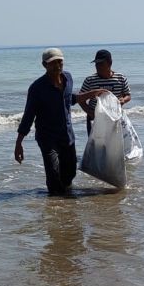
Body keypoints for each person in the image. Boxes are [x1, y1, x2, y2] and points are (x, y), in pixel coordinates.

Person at [13, 48, 106, 196]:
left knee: (70, 173)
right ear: (45, 65)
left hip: (67, 136)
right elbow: (28, 116)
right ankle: (56, 206)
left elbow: (70, 99)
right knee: (53, 174)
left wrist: (92, 93)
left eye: (60, 61)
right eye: (53, 63)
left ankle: (65, 206)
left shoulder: (68, 78)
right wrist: (19, 143)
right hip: (47, 137)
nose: (57, 65)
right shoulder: (37, 88)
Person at [78, 49, 132, 135]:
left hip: (115, 117)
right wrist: (90, 112)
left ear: (110, 63)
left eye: (101, 64)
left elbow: (128, 95)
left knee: (115, 144)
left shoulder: (120, 78)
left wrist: (123, 100)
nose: (98, 66)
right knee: (96, 146)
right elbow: (80, 99)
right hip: (95, 117)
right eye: (96, 64)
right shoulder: (90, 80)